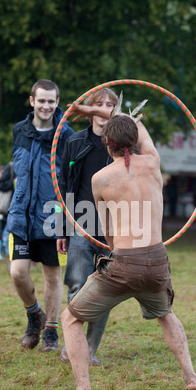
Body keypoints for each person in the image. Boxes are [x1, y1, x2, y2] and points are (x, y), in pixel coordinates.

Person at [60, 103, 196, 390]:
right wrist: (119, 115)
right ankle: (190, 377)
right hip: (157, 260)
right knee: (166, 314)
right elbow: (139, 131)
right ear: (134, 141)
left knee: (70, 319)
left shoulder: (100, 179)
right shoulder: (152, 163)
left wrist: (117, 256)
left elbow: (108, 231)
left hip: (124, 264)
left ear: (106, 144)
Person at [7, 79, 74, 352]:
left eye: (51, 101)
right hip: (21, 216)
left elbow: (69, 180)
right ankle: (34, 315)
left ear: (57, 103)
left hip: (52, 217)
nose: (46, 105)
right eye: (41, 100)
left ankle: (51, 331)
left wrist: (66, 222)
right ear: (32, 101)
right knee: (17, 273)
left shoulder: (67, 136)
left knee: (52, 278)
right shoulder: (19, 131)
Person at [57, 88, 118, 365]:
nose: (105, 109)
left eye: (110, 105)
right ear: (90, 109)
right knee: (77, 287)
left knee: (104, 293)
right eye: (99, 104)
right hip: (81, 227)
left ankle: (90, 350)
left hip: (113, 233)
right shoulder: (74, 143)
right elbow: (65, 187)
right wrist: (62, 228)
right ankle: (72, 348)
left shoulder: (123, 147)